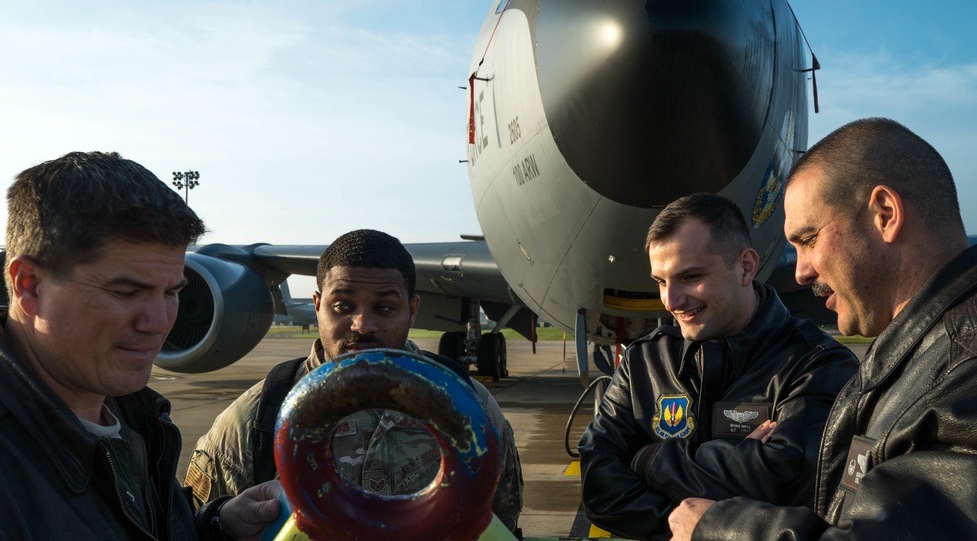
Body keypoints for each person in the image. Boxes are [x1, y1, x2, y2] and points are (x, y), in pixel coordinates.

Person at [668, 118, 977, 540]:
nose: (800, 272)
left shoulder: (965, 372)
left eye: (809, 238)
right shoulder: (920, 359)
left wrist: (717, 528)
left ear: (884, 215)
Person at [0, 151, 279, 540]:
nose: (158, 324)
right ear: (29, 284)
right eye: (124, 292)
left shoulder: (127, 411)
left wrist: (217, 528)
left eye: (173, 292)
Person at [185, 228, 525, 533]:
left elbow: (500, 513)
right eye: (342, 306)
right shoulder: (257, 418)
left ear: (413, 309)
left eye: (385, 308)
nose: (362, 324)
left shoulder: (469, 408)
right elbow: (200, 525)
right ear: (317, 305)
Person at [579, 193, 859, 540]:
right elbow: (598, 484)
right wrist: (689, 525)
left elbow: (787, 481)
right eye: (661, 282)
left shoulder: (817, 365)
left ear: (745, 267)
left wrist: (649, 460)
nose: (671, 300)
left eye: (690, 276)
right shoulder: (644, 363)